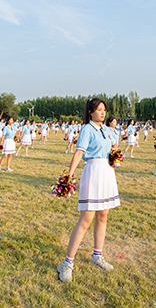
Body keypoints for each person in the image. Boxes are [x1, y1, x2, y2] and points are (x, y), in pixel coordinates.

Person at [56, 98, 119, 283]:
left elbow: (114, 147)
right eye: (98, 109)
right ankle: (67, 263)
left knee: (103, 215)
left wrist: (115, 154)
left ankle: (97, 256)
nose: (102, 112)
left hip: (107, 172)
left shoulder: (107, 130)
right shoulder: (87, 129)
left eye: (104, 109)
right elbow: (79, 152)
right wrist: (69, 176)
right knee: (86, 218)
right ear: (91, 112)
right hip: (93, 172)